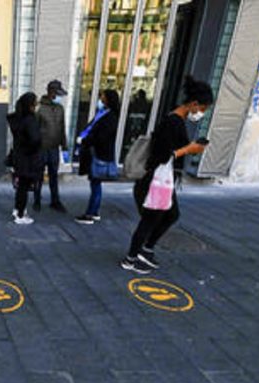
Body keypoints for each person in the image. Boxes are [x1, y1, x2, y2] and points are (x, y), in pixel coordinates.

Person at [120, 76, 214, 273]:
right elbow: (162, 155)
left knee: (171, 215)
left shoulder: (176, 121)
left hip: (163, 179)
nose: (201, 114)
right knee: (150, 219)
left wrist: (190, 147)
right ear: (194, 104)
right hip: (154, 179)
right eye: (203, 109)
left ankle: (145, 249)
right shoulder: (172, 122)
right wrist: (189, 149)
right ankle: (130, 259)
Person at [75, 89, 120, 225]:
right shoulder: (103, 113)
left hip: (99, 154)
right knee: (96, 183)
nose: (101, 98)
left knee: (95, 183)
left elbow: (100, 137)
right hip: (97, 152)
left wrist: (85, 141)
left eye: (103, 96)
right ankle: (93, 212)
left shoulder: (110, 117)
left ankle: (90, 214)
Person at [7, 92, 42, 225]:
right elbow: (35, 140)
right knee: (24, 187)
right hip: (28, 158)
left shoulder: (18, 118)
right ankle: (20, 214)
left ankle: (18, 209)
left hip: (19, 156)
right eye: (35, 102)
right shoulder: (30, 120)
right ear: (30, 105)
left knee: (21, 185)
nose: (37, 105)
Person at [34, 79, 69, 213]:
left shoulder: (60, 109)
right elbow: (34, 130)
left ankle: (55, 201)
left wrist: (64, 146)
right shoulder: (39, 108)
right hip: (41, 148)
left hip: (54, 148)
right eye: (57, 94)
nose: (59, 97)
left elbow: (62, 127)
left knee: (54, 175)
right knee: (38, 175)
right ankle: (37, 199)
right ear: (50, 92)